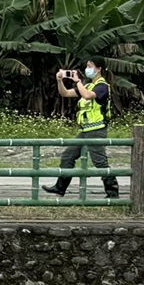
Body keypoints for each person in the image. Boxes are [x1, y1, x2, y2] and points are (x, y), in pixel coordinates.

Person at [46, 60, 121, 199]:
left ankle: (112, 192)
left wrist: (77, 81)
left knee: (100, 162)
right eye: (87, 66)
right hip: (85, 131)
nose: (87, 69)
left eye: (90, 66)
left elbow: (87, 95)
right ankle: (60, 188)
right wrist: (59, 81)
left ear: (98, 69)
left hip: (97, 129)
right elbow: (65, 93)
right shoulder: (87, 85)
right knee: (68, 156)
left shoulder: (102, 86)